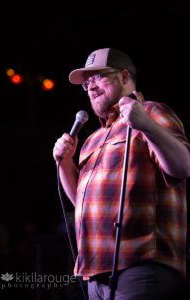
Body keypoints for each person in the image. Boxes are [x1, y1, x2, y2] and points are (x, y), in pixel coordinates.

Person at [53, 48, 190, 300]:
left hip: (143, 264)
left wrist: (145, 125)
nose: (91, 87)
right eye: (87, 83)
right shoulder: (92, 139)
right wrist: (65, 163)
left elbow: (183, 167)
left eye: (98, 77)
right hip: (95, 271)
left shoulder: (152, 112)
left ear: (125, 77)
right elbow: (80, 204)